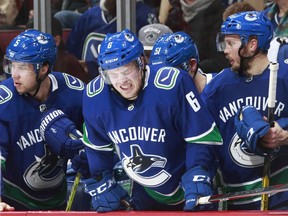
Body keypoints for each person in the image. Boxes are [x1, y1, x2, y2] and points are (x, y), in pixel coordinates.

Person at [80, 28, 223, 212]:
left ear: (141, 62)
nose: (121, 81)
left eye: (126, 71)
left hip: (185, 183)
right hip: (144, 188)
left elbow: (201, 134)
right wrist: (103, 181)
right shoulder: (96, 96)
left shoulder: (172, 83)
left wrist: (198, 170)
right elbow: (97, 147)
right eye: (113, 74)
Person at [201, 11, 288, 210]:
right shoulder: (217, 87)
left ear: (251, 45)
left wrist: (284, 137)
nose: (225, 50)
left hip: (282, 196)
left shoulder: (284, 77)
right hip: (237, 198)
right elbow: (203, 140)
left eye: (231, 43)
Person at [0, 29, 85, 211]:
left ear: (44, 68)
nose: (14, 74)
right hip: (11, 202)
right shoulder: (3, 100)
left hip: (58, 198)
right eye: (12, 65)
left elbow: (99, 132)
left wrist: (88, 154)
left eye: (22, 67)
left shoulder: (74, 92)